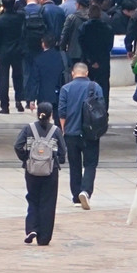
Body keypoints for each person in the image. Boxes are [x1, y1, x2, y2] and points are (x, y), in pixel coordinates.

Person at [14, 102, 67, 245]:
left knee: (33, 199)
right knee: (48, 203)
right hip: (50, 172)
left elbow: (17, 146)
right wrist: (58, 160)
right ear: (51, 115)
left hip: (31, 171)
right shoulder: (55, 131)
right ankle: (44, 237)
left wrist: (26, 158)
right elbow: (62, 152)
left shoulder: (28, 129)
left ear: (38, 114)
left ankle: (31, 228)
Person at [56, 61, 103, 206]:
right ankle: (86, 191)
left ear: (73, 73)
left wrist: (64, 130)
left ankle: (76, 196)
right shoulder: (95, 87)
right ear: (87, 73)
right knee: (90, 164)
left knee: (74, 165)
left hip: (71, 132)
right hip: (91, 133)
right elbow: (101, 109)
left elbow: (61, 112)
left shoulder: (66, 89)